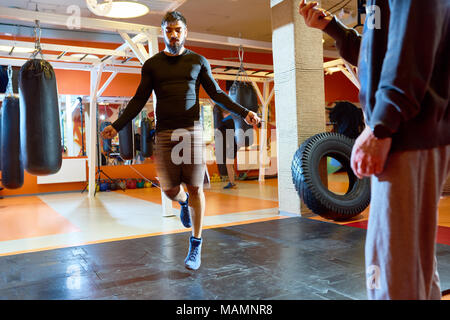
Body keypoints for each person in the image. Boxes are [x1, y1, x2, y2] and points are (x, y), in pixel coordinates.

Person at [299, 0, 450, 299]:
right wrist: (332, 27)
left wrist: (381, 126)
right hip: (407, 131)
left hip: (403, 133)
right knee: (413, 262)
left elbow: (412, 45)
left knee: (390, 270)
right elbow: (377, 52)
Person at [101, 11, 260, 271]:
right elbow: (139, 100)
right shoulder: (152, 65)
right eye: (168, 30)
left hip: (191, 132)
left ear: (185, 32)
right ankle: (182, 202)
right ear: (163, 32)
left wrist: (245, 112)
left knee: (196, 187)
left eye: (178, 30)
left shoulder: (198, 61)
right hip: (164, 134)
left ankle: (196, 243)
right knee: (169, 190)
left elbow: (217, 94)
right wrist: (117, 126)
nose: (173, 34)